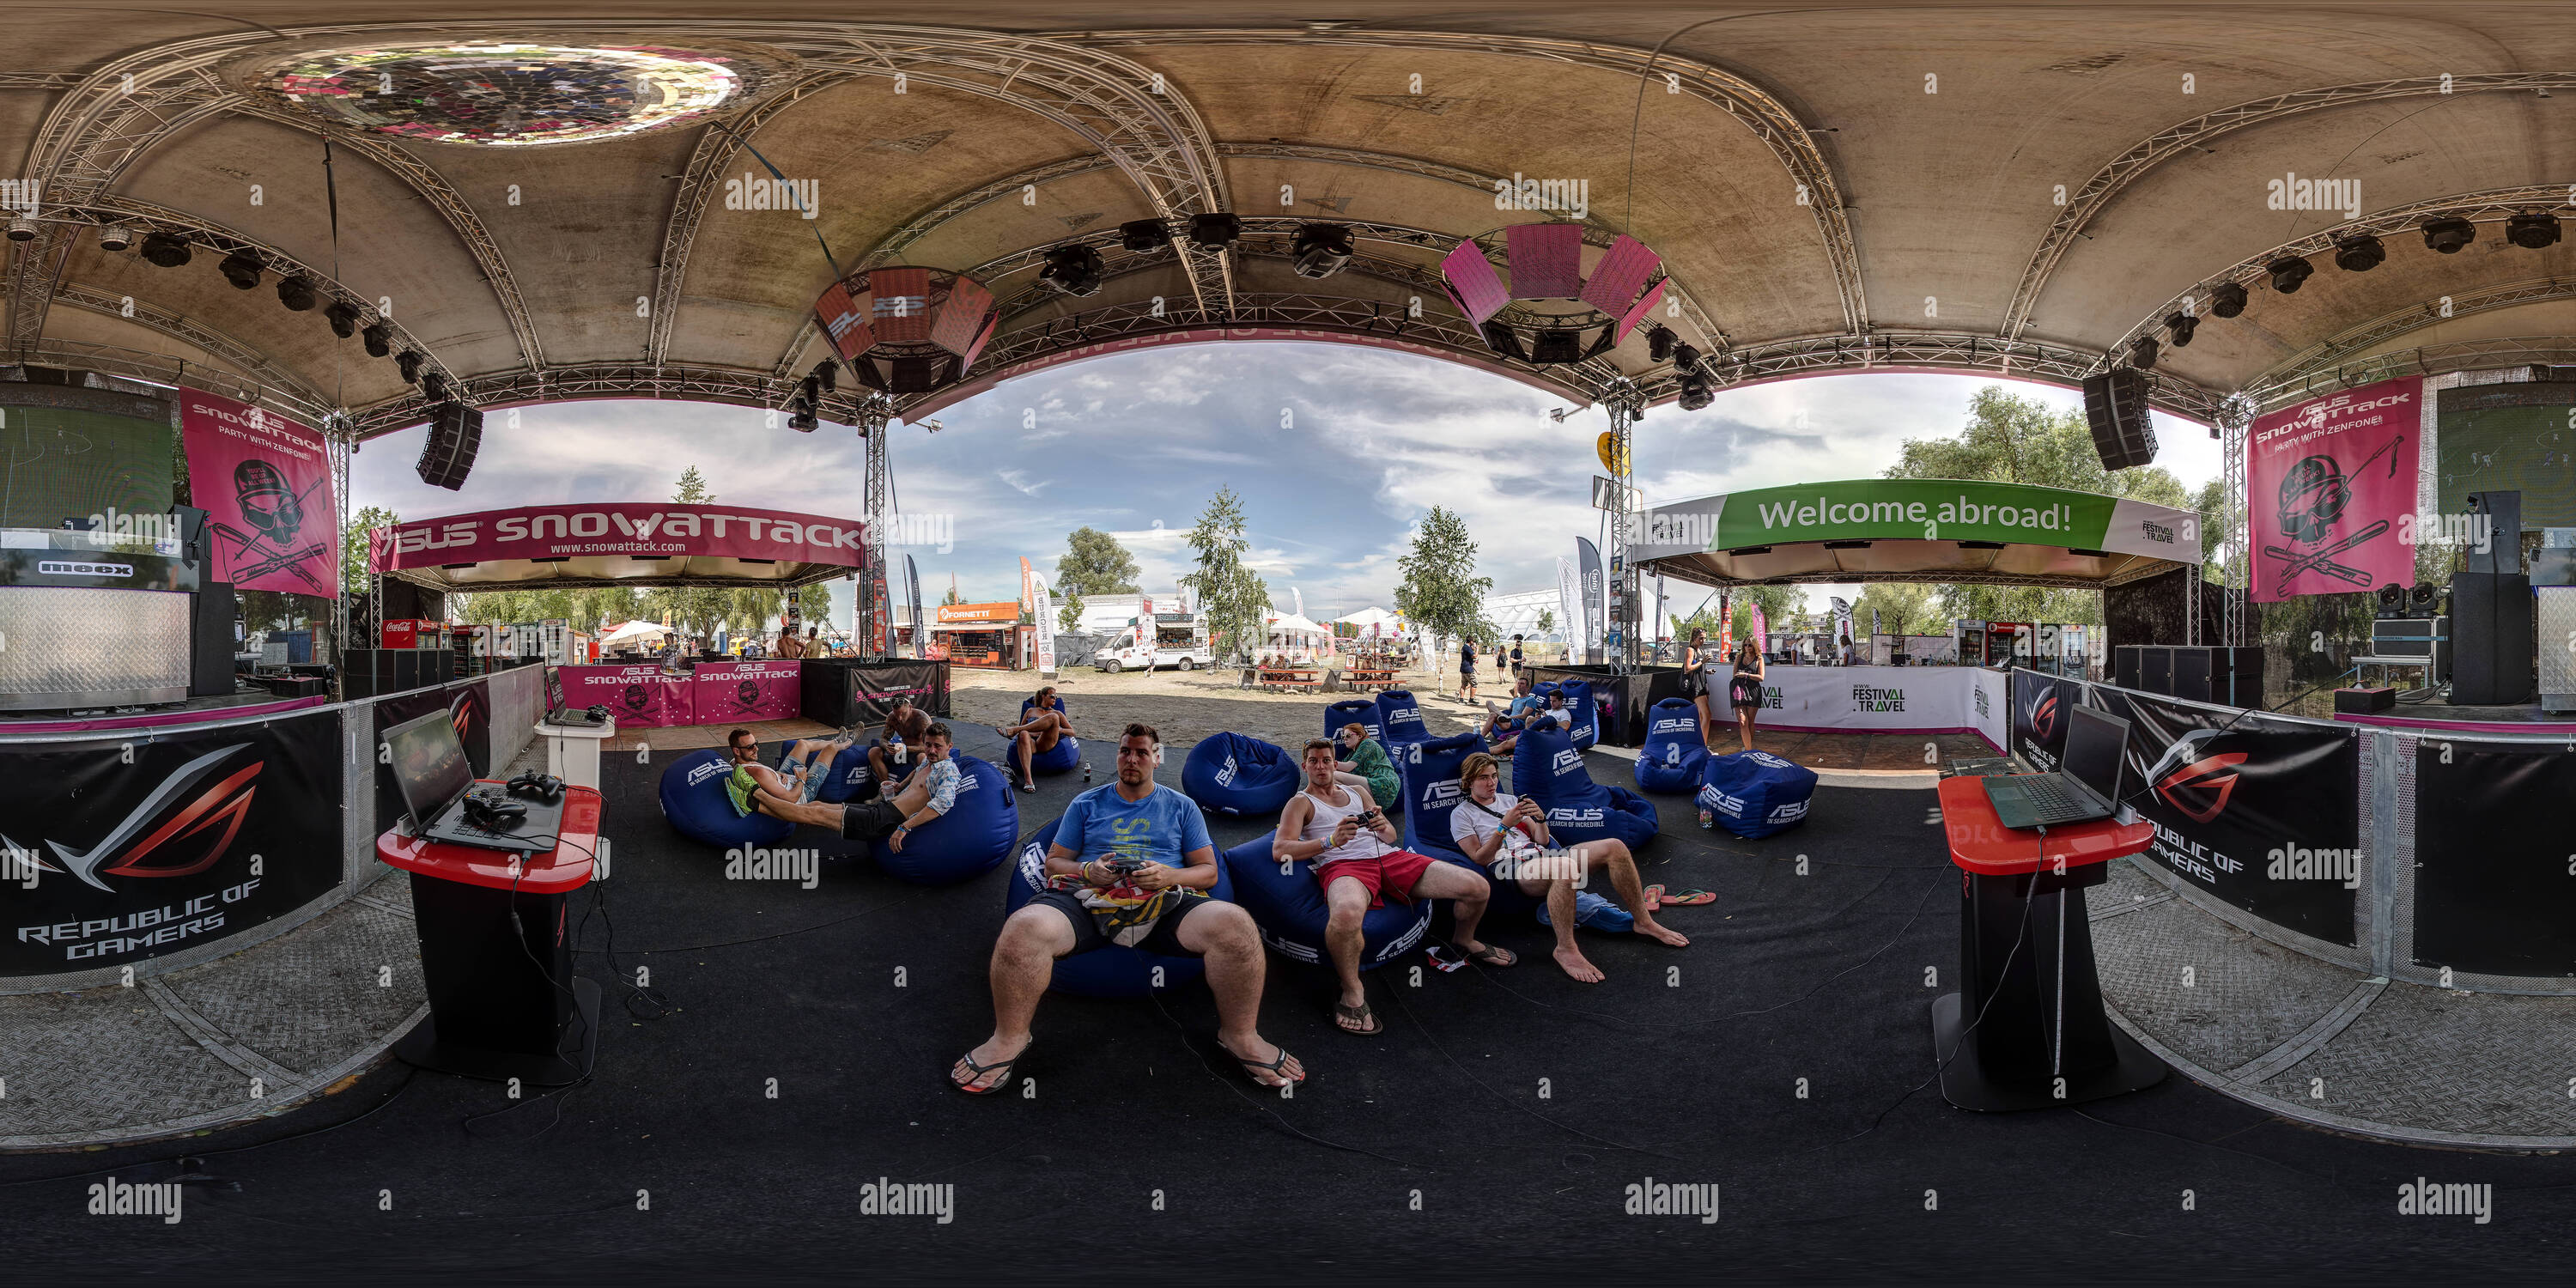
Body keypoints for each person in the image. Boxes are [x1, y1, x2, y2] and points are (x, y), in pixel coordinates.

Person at [952, 723, 1303, 1093]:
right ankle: (1009, 1038)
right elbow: (1053, 864)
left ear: (1155, 757)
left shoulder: (1181, 806)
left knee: (1238, 925)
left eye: (1140, 751)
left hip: (1164, 900)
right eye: (1124, 751)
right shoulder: (1085, 803)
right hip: (1088, 897)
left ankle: (1241, 1036)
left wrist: (1168, 875)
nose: (1131, 758)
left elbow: (1208, 873)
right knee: (1023, 927)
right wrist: (1090, 870)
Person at [1279, 738, 1509, 1034]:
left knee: (1477, 887)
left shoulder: (1357, 791)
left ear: (1336, 763)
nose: (1321, 766)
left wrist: (1381, 825)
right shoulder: (1300, 802)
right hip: (1344, 865)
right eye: (1314, 761)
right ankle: (1352, 989)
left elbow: (1388, 835)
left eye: (1327, 760)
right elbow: (1280, 849)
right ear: (1305, 766)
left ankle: (1464, 939)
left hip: (1389, 857)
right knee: (1346, 916)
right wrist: (1330, 841)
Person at [1449, 752, 1689, 981]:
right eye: (1483, 778)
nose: (1491, 783)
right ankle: (1565, 949)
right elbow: (1479, 857)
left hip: (1542, 855)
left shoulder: (1510, 800)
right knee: (1564, 867)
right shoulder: (1462, 814)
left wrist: (1541, 820)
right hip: (1508, 866)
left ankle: (1643, 922)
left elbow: (1542, 840)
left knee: (1615, 847)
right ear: (1469, 781)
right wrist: (1503, 827)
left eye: (1493, 775)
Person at [719, 726, 927, 843]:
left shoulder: (738, 763)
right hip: (801, 791)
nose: (756, 749)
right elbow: (791, 800)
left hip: (781, 778)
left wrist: (778, 776)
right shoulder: (754, 772)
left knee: (802, 744)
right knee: (829, 754)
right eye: (750, 747)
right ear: (737, 750)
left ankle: (835, 739)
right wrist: (801, 777)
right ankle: (844, 743)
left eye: (756, 744)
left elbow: (744, 770)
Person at [999, 684, 1075, 792]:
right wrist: (1031, 733)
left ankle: (1014, 729)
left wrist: (1058, 730)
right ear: (1043, 696)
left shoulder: (1057, 713)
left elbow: (1072, 732)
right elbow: (1022, 732)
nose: (1055, 699)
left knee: (1053, 717)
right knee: (1023, 733)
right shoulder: (1031, 711)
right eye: (1052, 696)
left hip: (1046, 742)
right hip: (1031, 744)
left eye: (1056, 697)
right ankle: (1028, 779)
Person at [867, 695, 934, 791]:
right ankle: (887, 790)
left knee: (922, 758)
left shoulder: (922, 719)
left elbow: (930, 747)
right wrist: (887, 746)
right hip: (900, 750)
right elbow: (883, 739)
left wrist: (907, 749)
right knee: (874, 752)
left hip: (916, 751)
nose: (899, 718)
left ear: (910, 707)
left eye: (903, 713)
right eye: (896, 714)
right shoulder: (891, 717)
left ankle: (917, 793)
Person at [1333, 721, 1400, 806]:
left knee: (1335, 776)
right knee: (1330, 779)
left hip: (1384, 783)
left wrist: (1326, 762)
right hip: (1371, 786)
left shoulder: (1367, 743)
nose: (1345, 739)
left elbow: (1347, 767)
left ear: (1359, 736)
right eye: (1343, 736)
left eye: (1348, 736)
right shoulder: (1351, 755)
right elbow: (1338, 768)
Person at [1477, 674, 1541, 753]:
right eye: (1518, 684)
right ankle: (1480, 738)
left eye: (1522, 684)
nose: (1519, 685)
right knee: (1490, 705)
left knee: (1497, 715)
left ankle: (1502, 716)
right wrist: (1503, 715)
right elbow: (1508, 711)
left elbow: (1524, 715)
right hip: (1507, 720)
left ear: (1527, 687)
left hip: (1517, 723)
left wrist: (1510, 718)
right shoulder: (1515, 700)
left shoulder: (1531, 700)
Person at [1728, 638, 1766, 751]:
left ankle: (1747, 748)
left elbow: (1761, 677)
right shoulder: (1739, 657)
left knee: (1750, 722)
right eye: (1745, 645)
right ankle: (1749, 750)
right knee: (1743, 721)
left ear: (1754, 646)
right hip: (1739, 691)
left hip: (1754, 691)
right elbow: (1734, 675)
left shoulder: (1759, 659)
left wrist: (1745, 675)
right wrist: (1740, 676)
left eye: (1750, 645)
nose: (1747, 647)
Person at [1682, 627, 1716, 750]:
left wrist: (1707, 671)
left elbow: (1697, 669)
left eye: (1704, 638)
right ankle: (1702, 746)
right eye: (1701, 638)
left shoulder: (1700, 650)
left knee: (1702, 716)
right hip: (1696, 685)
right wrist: (1702, 663)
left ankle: (1700, 745)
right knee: (1707, 715)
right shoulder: (1690, 650)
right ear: (1694, 638)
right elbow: (1687, 669)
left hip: (1703, 683)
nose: (1703, 641)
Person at [1457, 635, 1478, 704]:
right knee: (1474, 684)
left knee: (1463, 685)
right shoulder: (1467, 647)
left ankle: (1461, 700)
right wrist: (1477, 649)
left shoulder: (1464, 647)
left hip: (1463, 668)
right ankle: (1471, 699)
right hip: (1468, 669)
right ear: (1471, 641)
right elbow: (1474, 656)